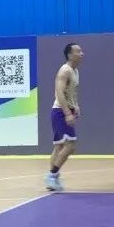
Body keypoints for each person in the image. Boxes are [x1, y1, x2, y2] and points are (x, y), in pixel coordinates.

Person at [45, 43, 83, 192]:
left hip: (65, 110)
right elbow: (59, 92)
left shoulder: (75, 71)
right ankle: (52, 175)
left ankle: (53, 179)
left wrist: (76, 106)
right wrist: (67, 113)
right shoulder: (65, 70)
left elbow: (71, 92)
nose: (82, 54)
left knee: (59, 147)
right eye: (78, 51)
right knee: (70, 145)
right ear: (69, 55)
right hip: (60, 112)